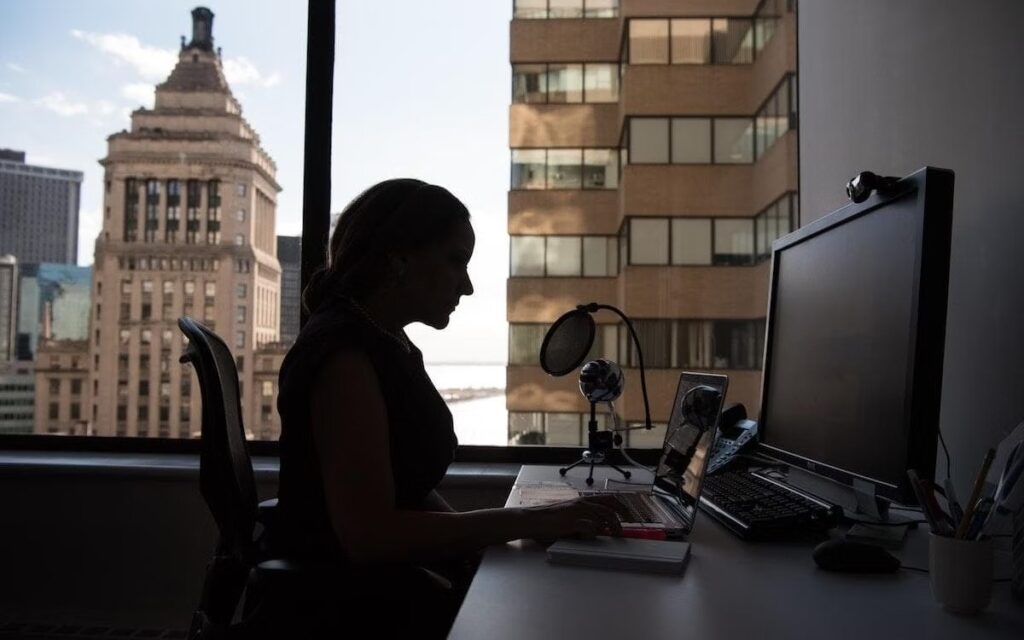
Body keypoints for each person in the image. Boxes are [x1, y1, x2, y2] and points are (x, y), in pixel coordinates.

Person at [272, 179, 625, 637]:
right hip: (347, 610)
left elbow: (409, 490)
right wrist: (521, 521)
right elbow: (368, 536)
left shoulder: (385, 341)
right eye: (456, 260)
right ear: (398, 259)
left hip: (377, 588)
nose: (469, 285)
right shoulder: (344, 356)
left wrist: (483, 543)